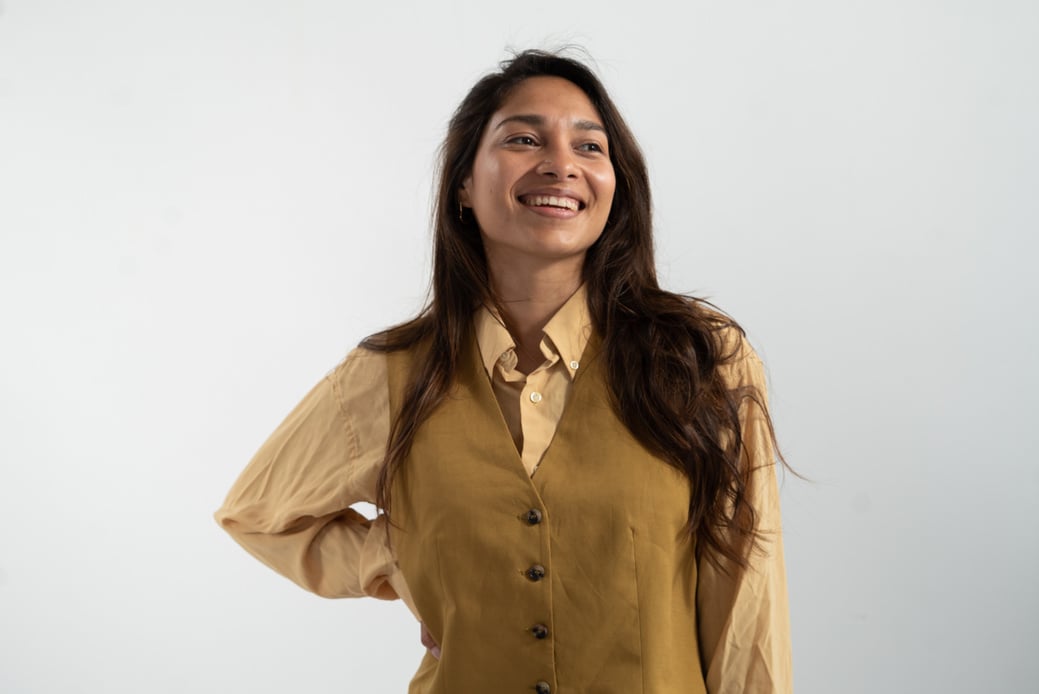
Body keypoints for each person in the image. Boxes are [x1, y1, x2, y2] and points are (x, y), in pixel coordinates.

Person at [216, 49, 792, 693]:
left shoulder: (701, 357)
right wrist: (401, 557)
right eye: (523, 138)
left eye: (590, 146)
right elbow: (258, 513)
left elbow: (746, 601)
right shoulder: (393, 374)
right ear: (464, 184)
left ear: (616, 185)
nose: (561, 163)